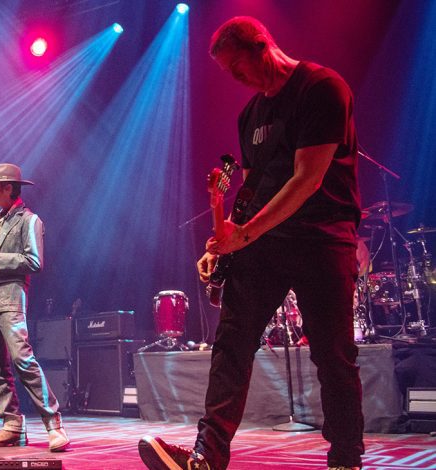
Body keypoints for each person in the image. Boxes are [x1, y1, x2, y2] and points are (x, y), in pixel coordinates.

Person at [139, 16, 364, 470]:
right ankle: (207, 458)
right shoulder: (251, 114)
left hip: (322, 238)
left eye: (239, 68)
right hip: (265, 241)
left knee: (333, 355)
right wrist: (220, 244)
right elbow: (252, 191)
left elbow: (306, 181)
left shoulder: (322, 88)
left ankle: (345, 459)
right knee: (231, 344)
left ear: (263, 46)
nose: (236, 80)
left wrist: (243, 235)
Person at [0, 163, 69, 452]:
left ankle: (53, 424)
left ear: (9, 188)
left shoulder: (29, 220)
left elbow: (34, 262)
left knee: (22, 360)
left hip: (10, 300)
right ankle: (12, 425)